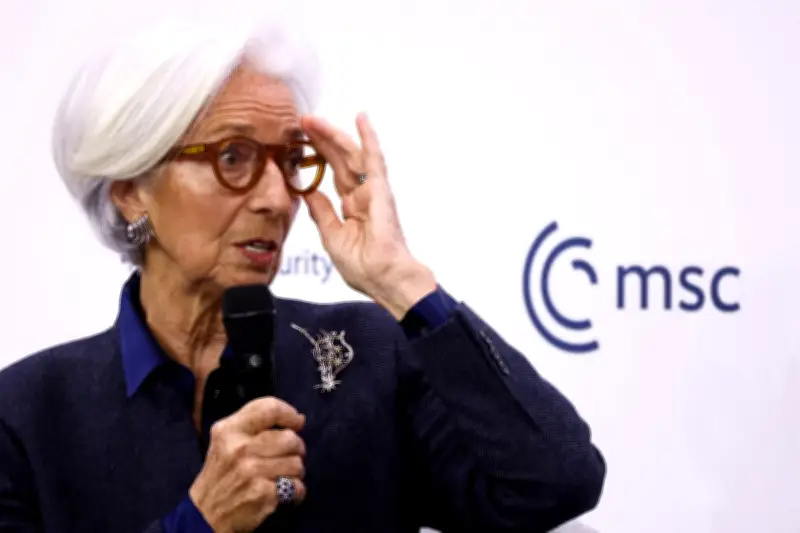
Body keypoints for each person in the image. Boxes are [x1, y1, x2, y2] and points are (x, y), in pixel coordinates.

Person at [0, 16, 606, 533]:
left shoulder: (368, 356)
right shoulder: (28, 414)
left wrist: (400, 281)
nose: (275, 198)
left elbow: (557, 480)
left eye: (290, 160)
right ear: (131, 190)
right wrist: (200, 522)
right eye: (232, 156)